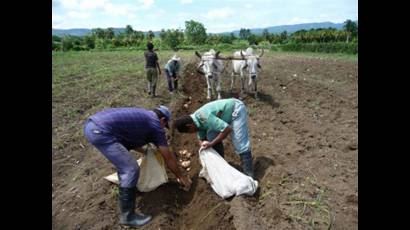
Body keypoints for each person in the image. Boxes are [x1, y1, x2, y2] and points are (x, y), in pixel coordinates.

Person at [83, 106, 192, 227]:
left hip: (93, 125)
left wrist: (146, 151)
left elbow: (129, 141)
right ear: (162, 120)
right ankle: (128, 216)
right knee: (130, 168)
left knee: (124, 165)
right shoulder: (155, 124)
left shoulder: (144, 117)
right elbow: (168, 157)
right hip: (101, 131)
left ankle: (129, 189)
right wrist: (181, 177)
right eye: (164, 125)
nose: (162, 128)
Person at [174, 98, 254, 178]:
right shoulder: (195, 121)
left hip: (235, 110)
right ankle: (220, 165)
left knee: (239, 142)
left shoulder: (204, 117)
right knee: (211, 137)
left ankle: (248, 173)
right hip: (222, 117)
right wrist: (202, 146)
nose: (191, 133)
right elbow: (201, 138)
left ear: (190, 126)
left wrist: (212, 144)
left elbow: (227, 129)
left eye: (189, 131)